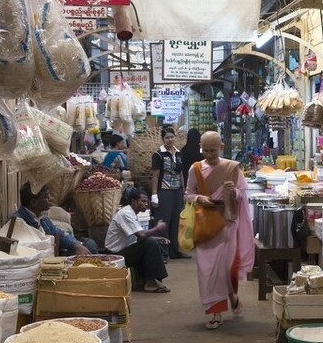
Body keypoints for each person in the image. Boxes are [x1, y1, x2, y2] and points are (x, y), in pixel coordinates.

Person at [184, 130, 254, 330]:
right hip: (206, 226)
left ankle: (231, 293)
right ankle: (216, 312)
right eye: (205, 150)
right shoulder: (195, 169)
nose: (209, 155)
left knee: (226, 268)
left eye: (213, 151)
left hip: (227, 223)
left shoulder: (232, 168)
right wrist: (198, 198)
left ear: (221, 147)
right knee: (208, 272)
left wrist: (233, 192)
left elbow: (242, 194)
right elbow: (188, 193)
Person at [105, 188, 170, 293]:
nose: (146, 204)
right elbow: (141, 235)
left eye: (147, 201)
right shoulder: (126, 213)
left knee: (151, 242)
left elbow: (138, 236)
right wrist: (157, 228)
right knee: (150, 243)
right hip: (116, 255)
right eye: (143, 201)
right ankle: (150, 282)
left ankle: (146, 280)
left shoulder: (131, 213)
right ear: (133, 201)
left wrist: (156, 238)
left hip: (125, 250)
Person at [12, 183, 96, 256]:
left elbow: (58, 233)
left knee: (89, 244)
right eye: (46, 197)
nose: (50, 199)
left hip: (51, 252)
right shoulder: (18, 221)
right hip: (39, 258)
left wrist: (76, 245)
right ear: (34, 202)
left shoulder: (42, 218)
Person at [150, 127, 188, 259]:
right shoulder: (158, 154)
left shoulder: (178, 153)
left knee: (176, 221)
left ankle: (174, 251)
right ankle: (162, 252)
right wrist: (154, 194)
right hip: (164, 191)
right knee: (163, 221)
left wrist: (184, 190)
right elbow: (155, 175)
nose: (170, 139)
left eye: (172, 137)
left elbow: (181, 173)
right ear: (163, 139)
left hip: (177, 191)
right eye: (167, 137)